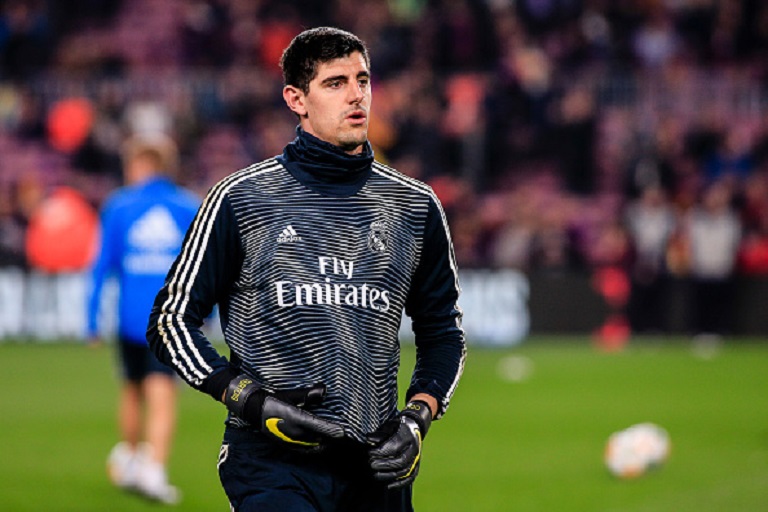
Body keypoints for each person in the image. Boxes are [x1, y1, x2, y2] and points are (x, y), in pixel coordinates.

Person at [147, 26, 466, 512]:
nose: (357, 94)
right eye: (335, 83)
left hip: (377, 464)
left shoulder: (415, 206)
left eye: (363, 79)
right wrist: (249, 400)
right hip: (271, 465)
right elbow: (170, 322)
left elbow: (443, 332)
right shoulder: (240, 199)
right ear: (296, 99)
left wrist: (417, 420)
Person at [87, 134, 200, 504]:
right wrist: (209, 311)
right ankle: (154, 469)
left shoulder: (119, 205)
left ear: (140, 165)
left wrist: (91, 319)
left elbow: (102, 266)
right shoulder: (187, 206)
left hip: (128, 317)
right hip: (170, 318)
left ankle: (133, 456)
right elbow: (205, 266)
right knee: (162, 392)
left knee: (132, 389)